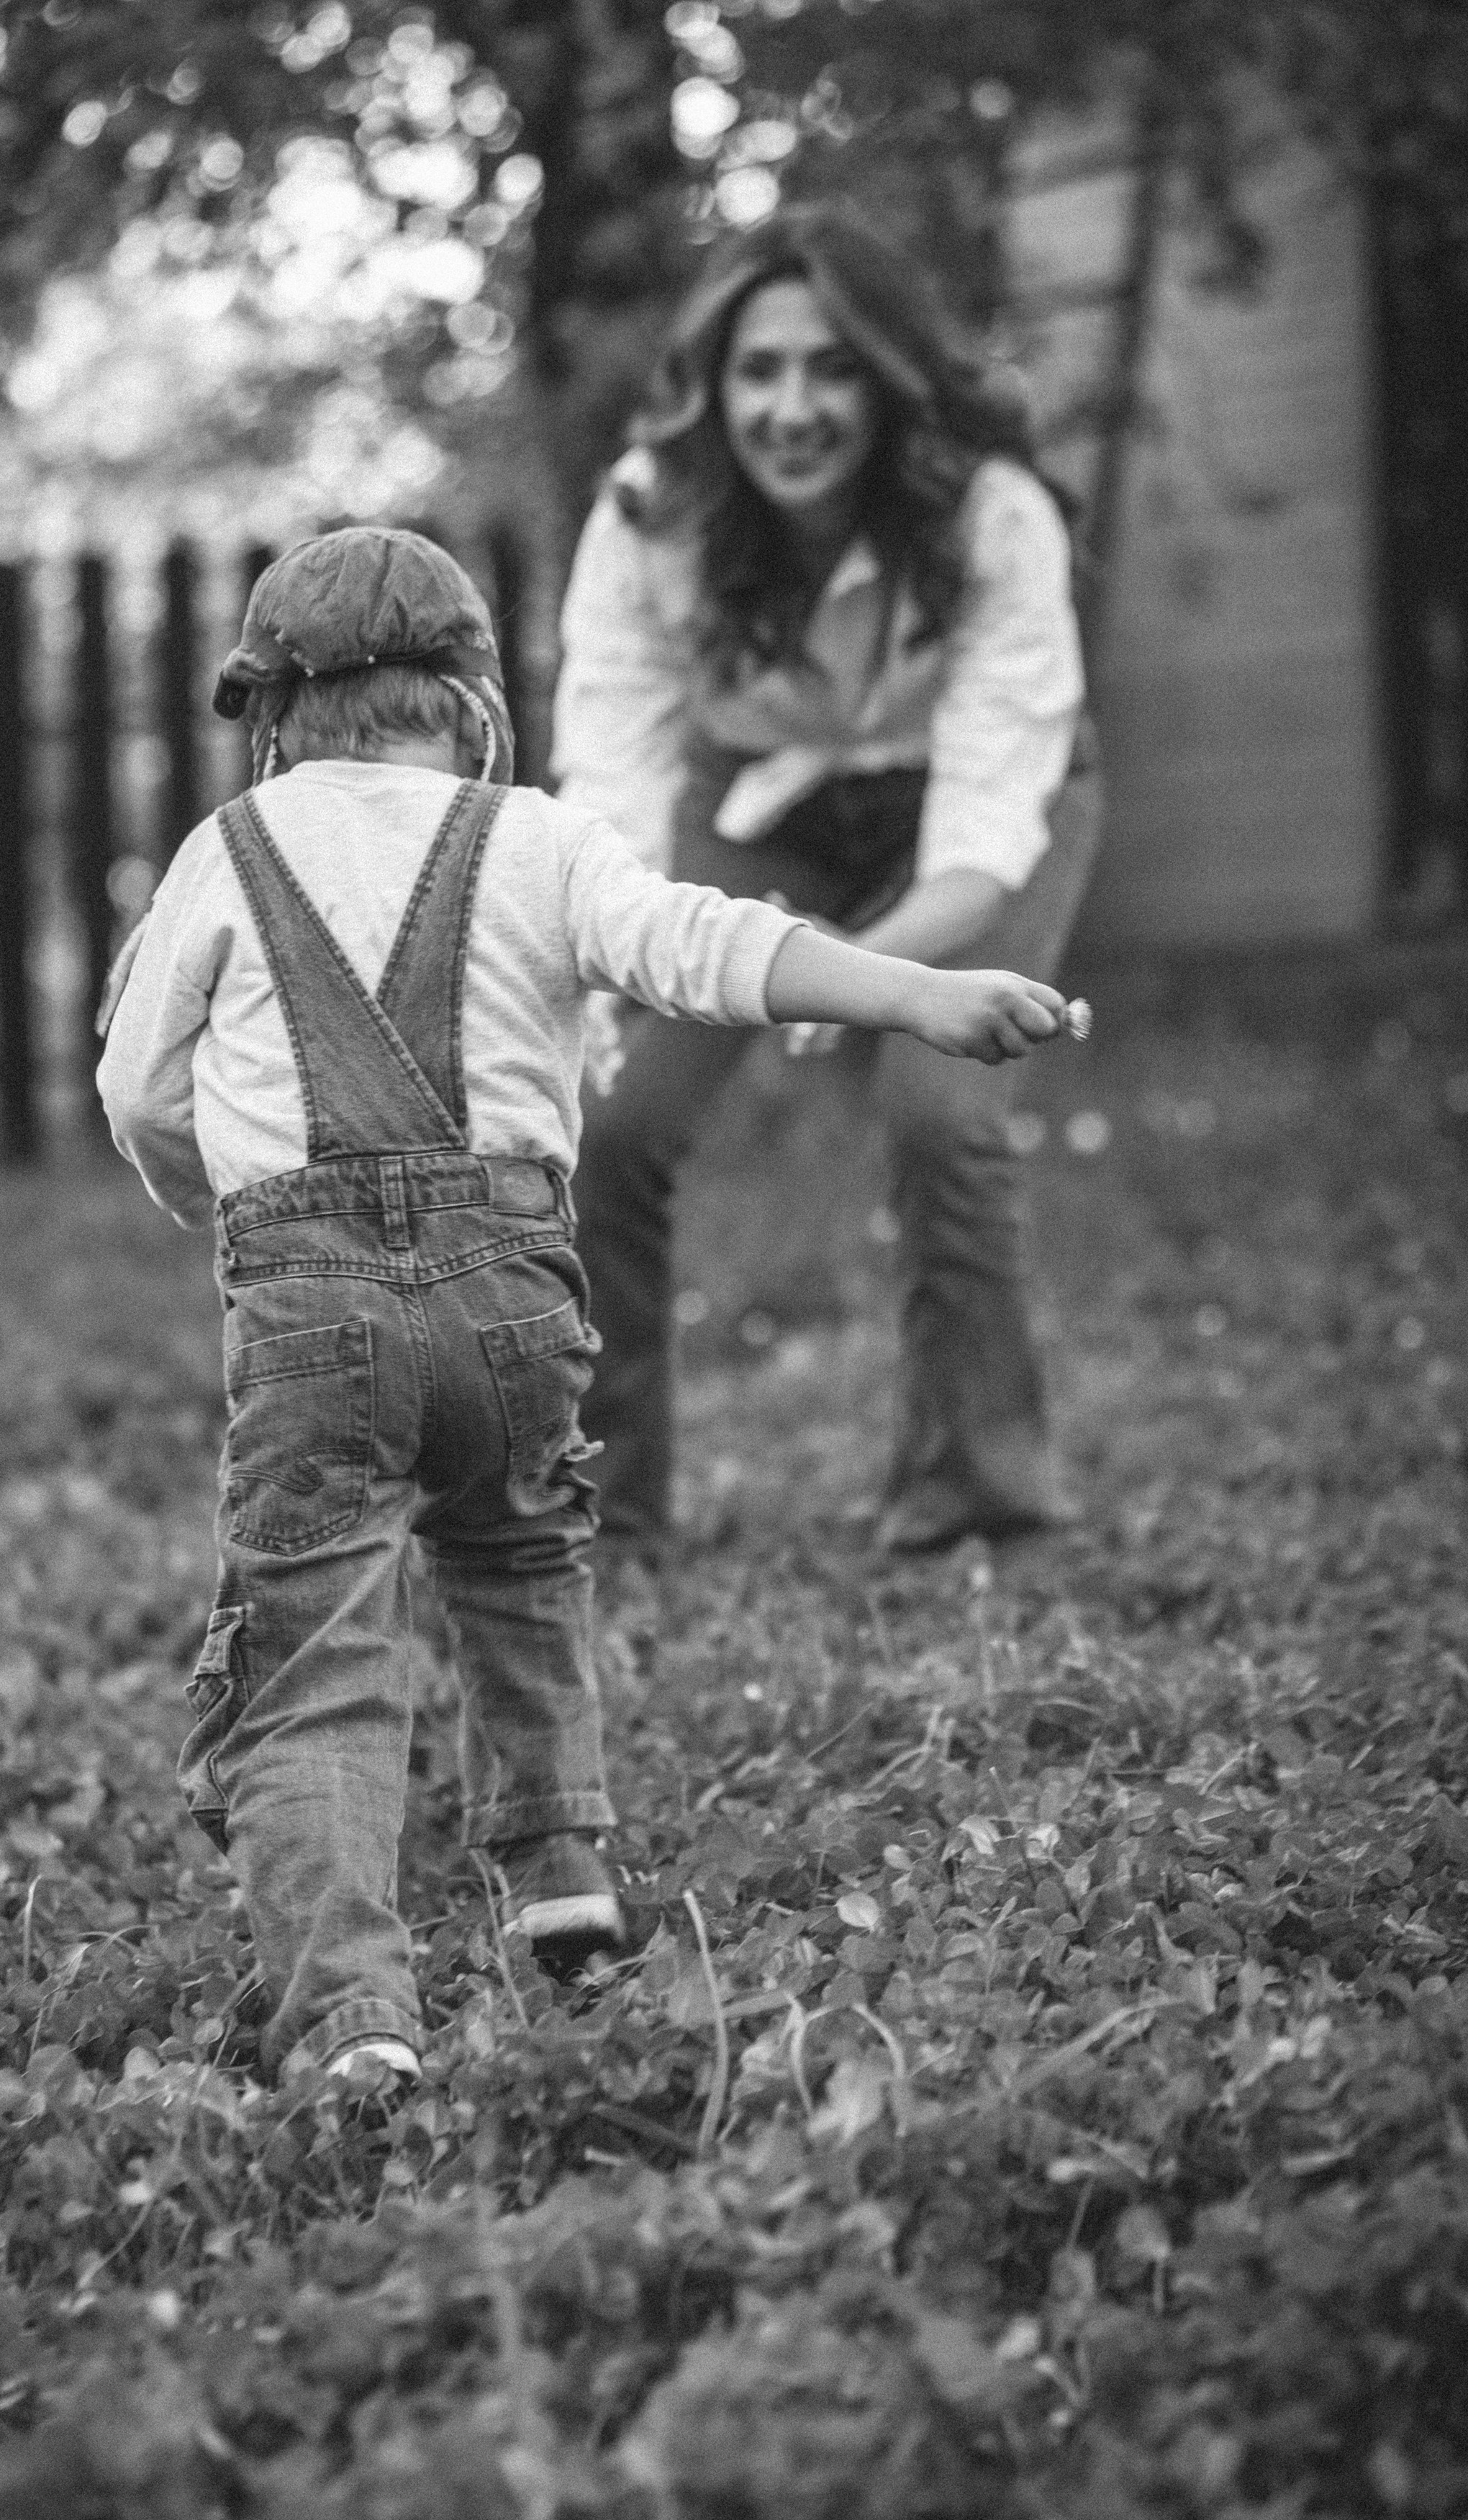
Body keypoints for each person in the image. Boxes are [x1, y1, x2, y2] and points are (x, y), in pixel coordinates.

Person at [96, 525, 1075, 2090]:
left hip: (306, 1315)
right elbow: (699, 945)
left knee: (316, 1656)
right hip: (510, 1298)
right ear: (473, 699)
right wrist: (909, 990)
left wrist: (219, 1198)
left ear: (275, 717)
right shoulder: (540, 842)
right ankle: (561, 1879)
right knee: (517, 1557)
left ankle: (354, 2019)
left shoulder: (226, 850)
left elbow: (139, 1085)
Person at [554, 203, 1103, 1555]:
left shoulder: (994, 516)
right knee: (611, 1119)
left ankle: (979, 1495)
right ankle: (604, 1510)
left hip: (980, 823)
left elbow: (983, 835)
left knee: (941, 1110)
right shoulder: (647, 517)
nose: (792, 408)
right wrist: (625, 963)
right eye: (759, 370)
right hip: (766, 812)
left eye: (833, 367)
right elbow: (612, 794)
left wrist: (852, 990)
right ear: (712, 385)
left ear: (891, 377)